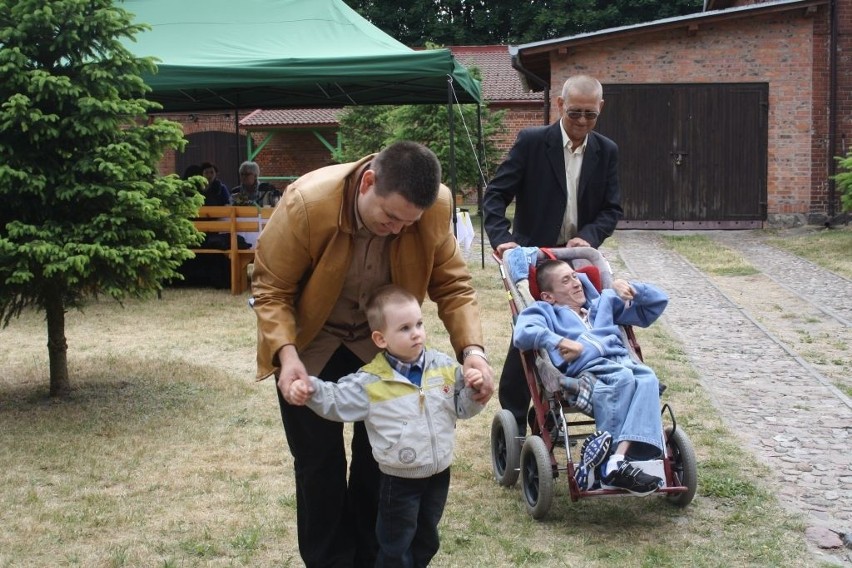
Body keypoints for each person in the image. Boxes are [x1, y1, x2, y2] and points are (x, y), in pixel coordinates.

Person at [251, 140, 494, 567]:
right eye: (391, 217)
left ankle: (375, 558)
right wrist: (286, 356)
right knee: (317, 465)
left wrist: (472, 351)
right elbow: (271, 289)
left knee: (381, 464)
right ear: (367, 183)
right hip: (312, 343)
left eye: (409, 223)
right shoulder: (307, 203)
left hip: (382, 348)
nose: (399, 230)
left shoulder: (433, 207)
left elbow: (454, 286)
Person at [288, 285, 489, 567]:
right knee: (395, 544)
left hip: (438, 474)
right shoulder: (372, 382)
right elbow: (337, 400)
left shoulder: (444, 368)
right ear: (380, 339)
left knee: (426, 538)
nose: (416, 333)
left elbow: (463, 409)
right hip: (399, 481)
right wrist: (310, 389)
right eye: (405, 328)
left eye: (419, 323)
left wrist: (472, 391)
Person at [482, 74, 623, 434]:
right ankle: (514, 412)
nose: (581, 122)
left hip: (576, 258)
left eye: (590, 115)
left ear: (600, 110)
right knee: (530, 333)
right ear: (560, 105)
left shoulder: (606, 151)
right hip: (534, 256)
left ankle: (570, 398)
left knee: (584, 327)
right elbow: (495, 196)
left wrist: (588, 236)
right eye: (575, 112)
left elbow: (611, 208)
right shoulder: (532, 143)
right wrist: (502, 239)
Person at [513, 259, 667, 495]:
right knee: (623, 379)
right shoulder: (546, 311)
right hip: (589, 368)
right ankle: (614, 463)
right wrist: (560, 341)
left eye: (575, 276)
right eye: (566, 280)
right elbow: (523, 333)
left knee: (648, 378)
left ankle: (616, 460)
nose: (576, 283)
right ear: (548, 296)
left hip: (620, 361)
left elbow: (656, 304)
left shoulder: (602, 303)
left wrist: (631, 288)